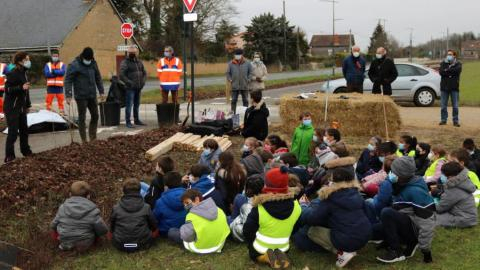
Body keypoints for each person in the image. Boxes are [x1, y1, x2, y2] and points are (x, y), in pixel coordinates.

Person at [294, 165, 372, 268]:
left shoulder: (331, 197)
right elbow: (367, 213)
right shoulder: (357, 194)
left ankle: (342, 252)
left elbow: (313, 219)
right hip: (365, 235)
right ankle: (348, 248)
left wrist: (303, 206)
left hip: (347, 240)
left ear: (333, 181)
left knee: (311, 231)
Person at [375, 157, 435, 264]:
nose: (390, 173)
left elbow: (427, 222)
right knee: (374, 231)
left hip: (414, 228)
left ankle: (397, 252)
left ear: (401, 175)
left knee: (386, 213)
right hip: (405, 219)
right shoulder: (400, 184)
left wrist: (426, 250)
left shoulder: (416, 192)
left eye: (393, 172)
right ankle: (390, 241)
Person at [243, 167, 301, 269]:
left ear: (267, 185)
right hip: (284, 248)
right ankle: (279, 256)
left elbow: (247, 230)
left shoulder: (259, 207)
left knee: (253, 251)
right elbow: (295, 227)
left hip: (260, 248)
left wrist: (252, 242)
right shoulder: (297, 206)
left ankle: (265, 258)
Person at [50, 181, 108, 251]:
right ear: (88, 196)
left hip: (65, 243)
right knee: (96, 227)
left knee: (56, 227)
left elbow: (53, 225)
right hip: (85, 245)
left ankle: (60, 246)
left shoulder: (62, 208)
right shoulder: (93, 210)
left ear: (70, 194)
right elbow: (103, 231)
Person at [65, 47, 105, 143]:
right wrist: (68, 94)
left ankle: (93, 137)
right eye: (87, 59)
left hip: (92, 95)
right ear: (83, 56)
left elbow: (98, 77)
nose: (88, 61)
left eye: (90, 59)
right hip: (81, 96)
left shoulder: (93, 63)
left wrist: (101, 91)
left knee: (95, 115)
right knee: (82, 118)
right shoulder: (74, 65)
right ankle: (84, 140)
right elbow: (68, 80)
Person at [110, 178, 158, 252]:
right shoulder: (146, 207)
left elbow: (111, 228)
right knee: (156, 230)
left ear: (124, 191)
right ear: (139, 191)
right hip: (143, 243)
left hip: (120, 244)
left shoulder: (116, 207)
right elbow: (154, 226)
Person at [178, 189, 230, 254]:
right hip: (219, 245)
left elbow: (187, 237)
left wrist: (183, 228)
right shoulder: (219, 210)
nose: (185, 206)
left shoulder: (191, 216)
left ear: (197, 199)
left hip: (200, 248)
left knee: (173, 232)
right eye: (184, 204)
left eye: (187, 203)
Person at [4, 51, 33, 163]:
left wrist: (28, 105)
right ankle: (9, 156)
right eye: (27, 59)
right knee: (13, 132)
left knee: (24, 131)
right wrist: (21, 87)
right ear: (20, 61)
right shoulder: (13, 73)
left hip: (21, 107)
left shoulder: (25, 73)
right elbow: (8, 90)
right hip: (12, 108)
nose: (28, 61)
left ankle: (26, 151)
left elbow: (26, 91)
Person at [436, 162, 478, 228]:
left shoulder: (452, 189)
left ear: (450, 176)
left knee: (430, 217)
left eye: (443, 174)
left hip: (463, 220)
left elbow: (440, 209)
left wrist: (431, 203)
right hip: (470, 218)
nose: (442, 176)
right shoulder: (465, 181)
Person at [230, 174, 264, 242]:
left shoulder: (241, 199)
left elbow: (234, 218)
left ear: (248, 190)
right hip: (260, 231)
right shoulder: (269, 198)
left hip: (245, 231)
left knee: (227, 219)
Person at [153, 172, 187, 239]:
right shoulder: (189, 196)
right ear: (181, 182)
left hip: (166, 231)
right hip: (186, 227)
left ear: (166, 186)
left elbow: (155, 219)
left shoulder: (160, 201)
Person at [120, 46, 147, 128]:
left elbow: (144, 73)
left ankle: (137, 120)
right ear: (128, 53)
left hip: (139, 87)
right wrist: (129, 82)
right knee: (129, 105)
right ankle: (128, 122)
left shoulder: (139, 62)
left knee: (137, 105)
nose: (132, 54)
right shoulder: (125, 62)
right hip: (130, 88)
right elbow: (121, 74)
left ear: (136, 53)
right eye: (131, 53)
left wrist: (143, 81)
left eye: (134, 53)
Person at [439, 50, 462, 127]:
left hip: (454, 88)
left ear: (454, 56)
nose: (449, 55)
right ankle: (443, 120)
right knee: (443, 106)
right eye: (448, 54)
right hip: (444, 88)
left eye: (450, 54)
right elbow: (441, 72)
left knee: (455, 106)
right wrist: (450, 72)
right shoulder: (443, 63)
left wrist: (447, 70)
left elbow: (457, 71)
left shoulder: (458, 64)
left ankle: (455, 121)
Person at [226, 48, 252, 113]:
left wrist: (248, 79)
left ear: (242, 55)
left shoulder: (247, 63)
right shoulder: (231, 63)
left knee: (245, 100)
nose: (237, 56)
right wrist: (230, 79)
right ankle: (233, 114)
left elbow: (250, 72)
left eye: (238, 54)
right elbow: (227, 73)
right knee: (233, 100)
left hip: (244, 85)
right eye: (236, 54)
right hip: (234, 85)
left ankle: (245, 114)